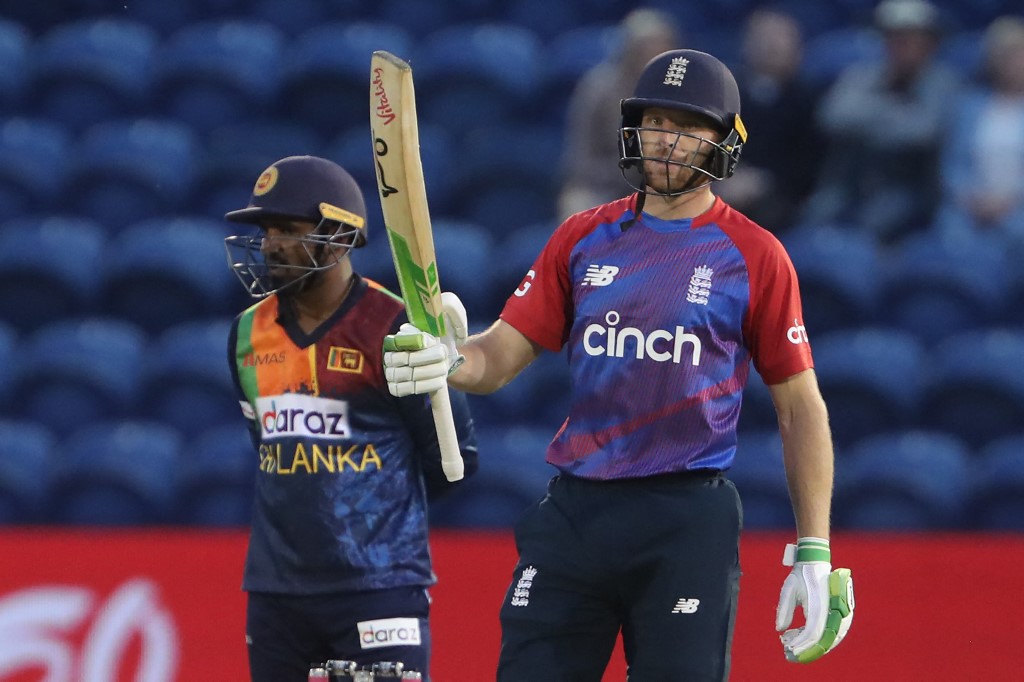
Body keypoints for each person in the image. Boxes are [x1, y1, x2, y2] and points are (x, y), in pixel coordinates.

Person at [383, 50, 854, 680]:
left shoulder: (755, 255)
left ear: (724, 141)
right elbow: (497, 357)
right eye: (656, 122)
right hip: (577, 511)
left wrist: (814, 549)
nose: (667, 140)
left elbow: (801, 408)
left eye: (689, 126)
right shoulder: (582, 236)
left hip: (685, 517)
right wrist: (448, 360)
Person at [222, 155, 478, 682]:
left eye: (288, 229)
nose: (270, 243)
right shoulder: (246, 334)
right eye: (266, 229)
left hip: (379, 585)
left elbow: (454, 463)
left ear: (338, 238)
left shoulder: (396, 328)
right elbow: (270, 450)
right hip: (276, 594)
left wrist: (374, 514)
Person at [800, 0, 960, 243]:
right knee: (812, 221)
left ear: (929, 44)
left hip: (905, 186)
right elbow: (832, 116)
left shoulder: (943, 83)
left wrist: (867, 120)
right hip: (848, 182)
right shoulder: (860, 76)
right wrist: (897, 113)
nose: (903, 47)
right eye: (896, 39)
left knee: (871, 228)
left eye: (912, 39)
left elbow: (923, 130)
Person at [556, 7, 683, 220]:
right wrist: (625, 169)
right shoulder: (598, 89)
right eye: (644, 50)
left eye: (660, 49)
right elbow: (579, 162)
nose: (651, 57)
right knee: (577, 205)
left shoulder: (688, 92)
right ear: (628, 51)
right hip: (609, 186)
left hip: (674, 186)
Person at [714, 9, 822, 234]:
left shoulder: (808, 101)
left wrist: (764, 182)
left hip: (784, 197)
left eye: (780, 40)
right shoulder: (725, 95)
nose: (772, 47)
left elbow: (810, 165)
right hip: (725, 187)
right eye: (763, 39)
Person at [934, 15, 1024, 243]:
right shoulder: (969, 106)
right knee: (950, 241)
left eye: (1019, 56)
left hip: (1018, 208)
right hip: (969, 208)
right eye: (1007, 56)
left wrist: (1008, 201)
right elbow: (953, 163)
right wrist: (971, 198)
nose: (1015, 64)